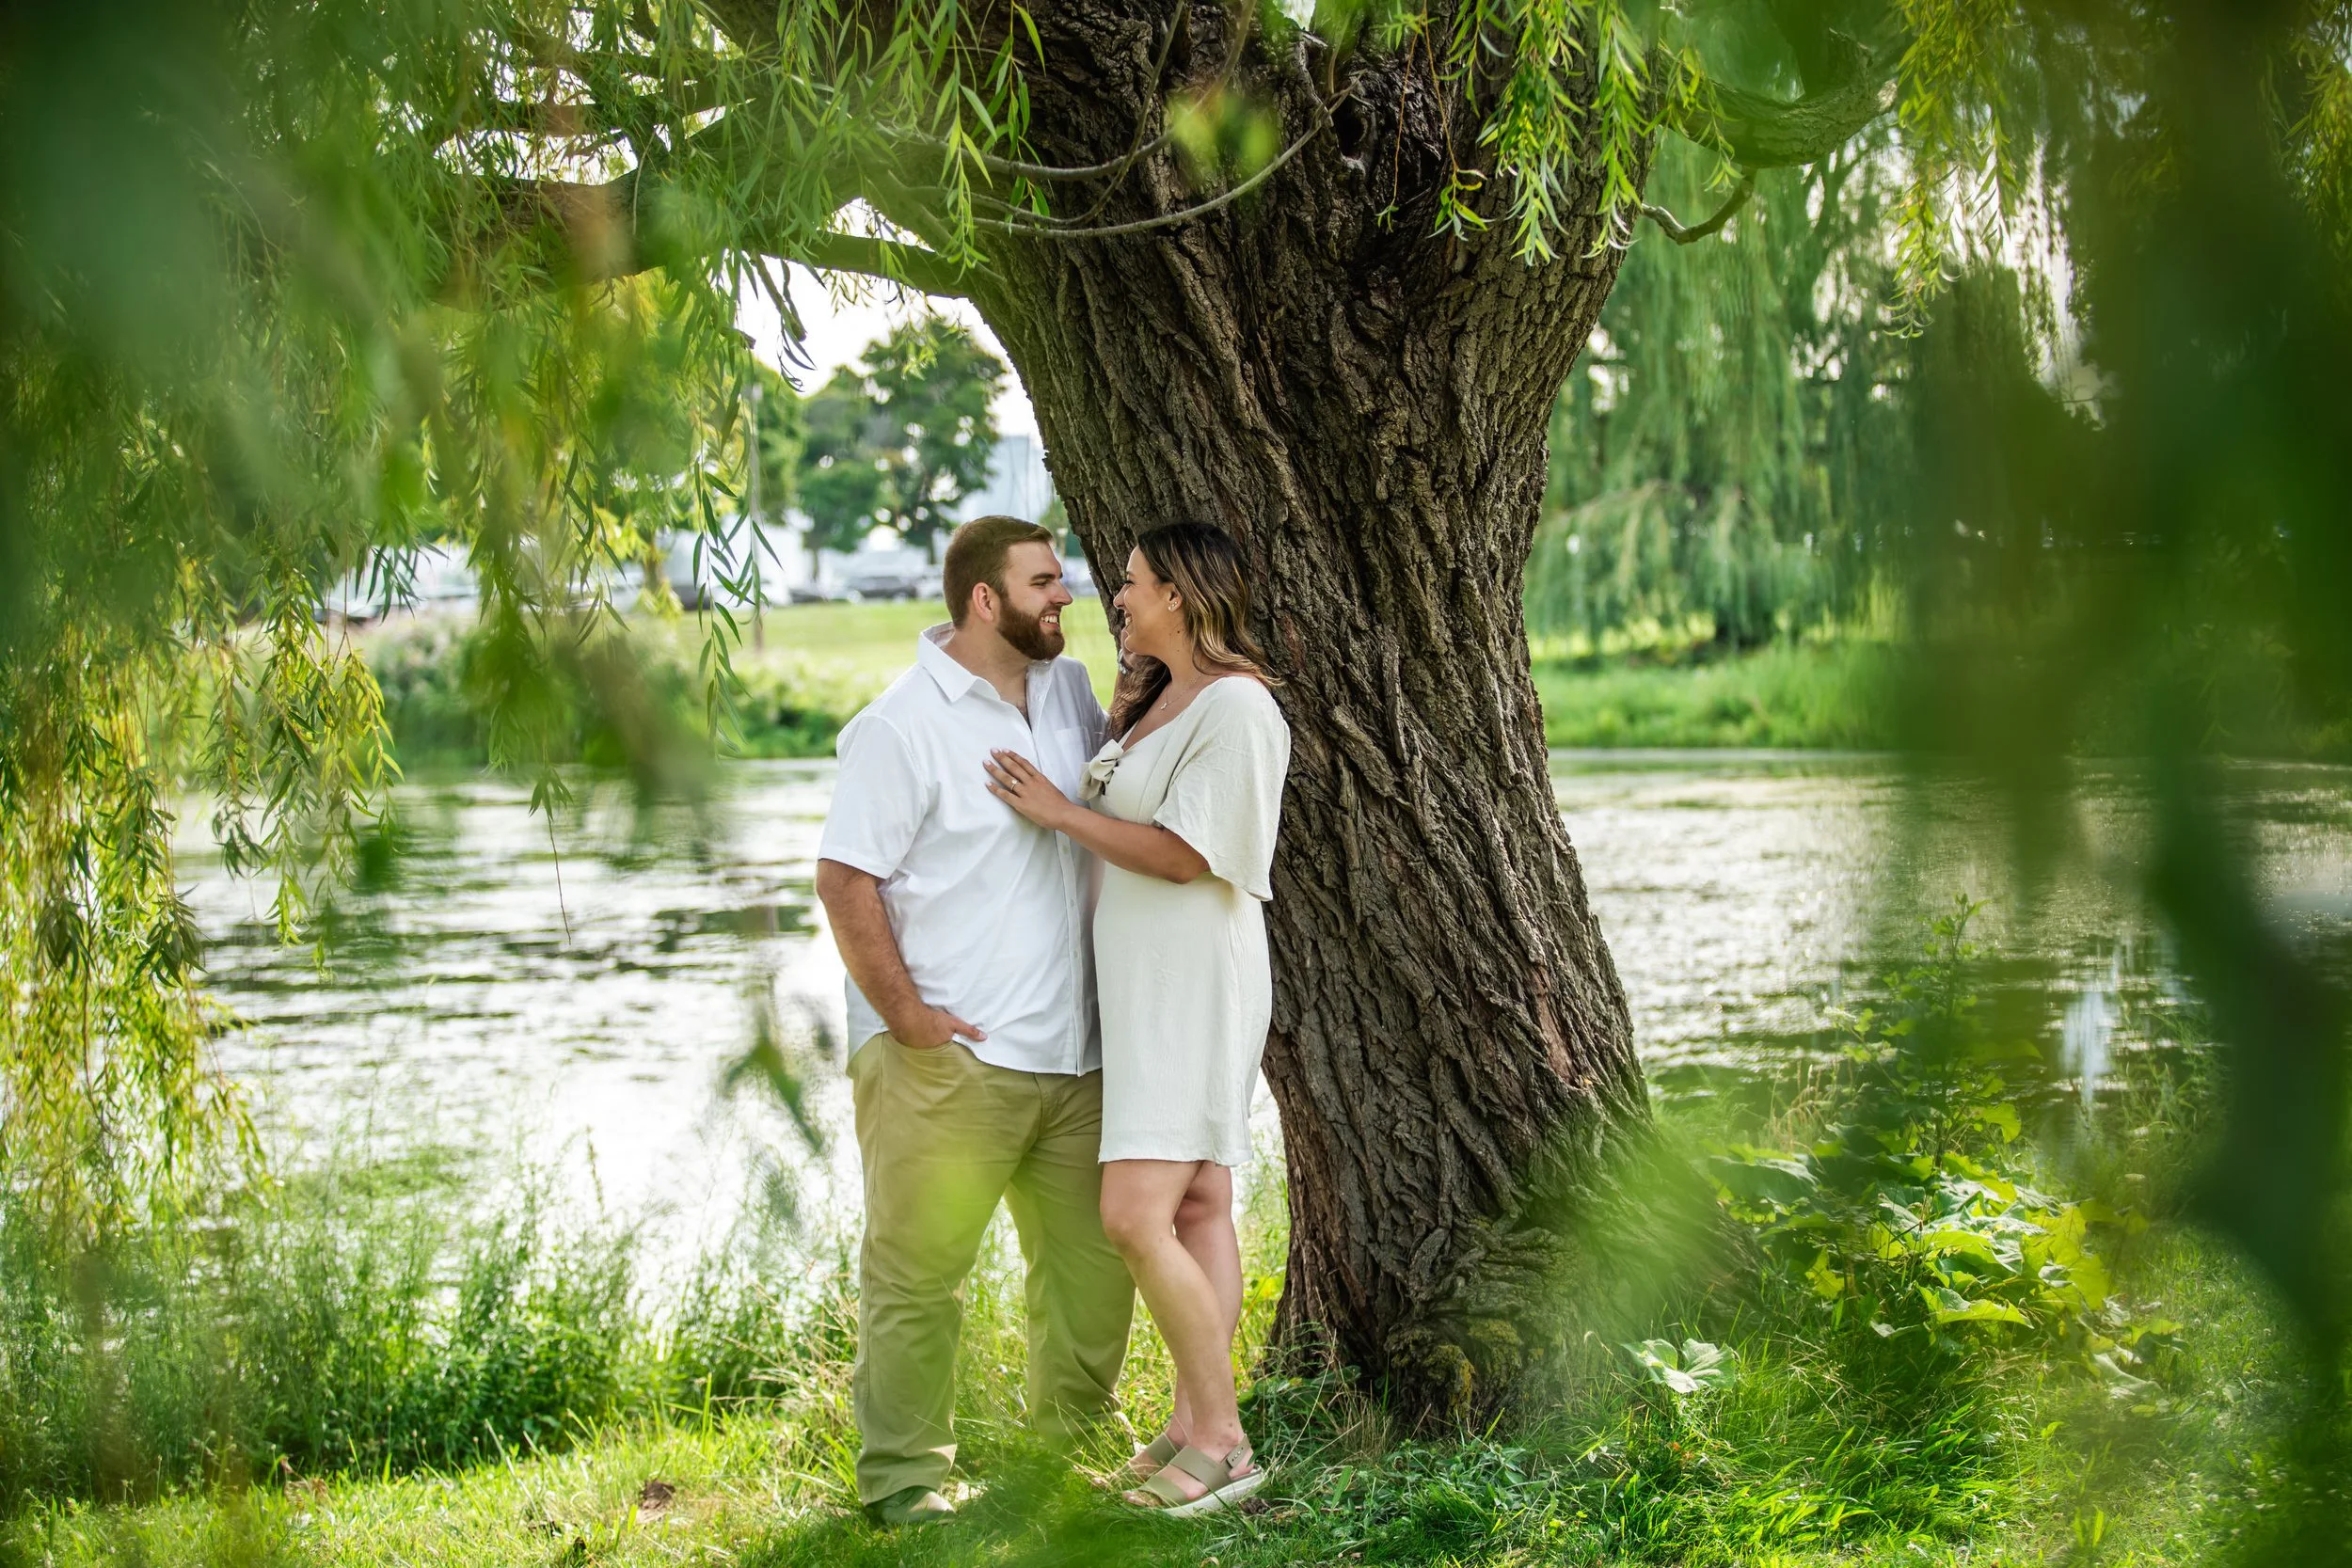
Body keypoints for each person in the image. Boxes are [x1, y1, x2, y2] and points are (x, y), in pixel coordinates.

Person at [814, 515, 1136, 1529]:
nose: (1066, 596)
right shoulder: (899, 725)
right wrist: (906, 1016)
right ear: (984, 598)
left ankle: (1068, 1444)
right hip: (954, 1058)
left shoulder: (1068, 690)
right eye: (1045, 580)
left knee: (1091, 1267)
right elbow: (842, 876)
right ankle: (906, 1477)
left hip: (1074, 1052)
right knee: (919, 1275)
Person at [982, 520, 1293, 1518]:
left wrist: (1056, 809)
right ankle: (1190, 1425)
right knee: (1197, 1204)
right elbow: (1130, 800)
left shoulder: (1239, 706)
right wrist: (1117, 725)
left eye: (1132, 582)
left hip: (1195, 983)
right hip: (1149, 987)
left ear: (1183, 591)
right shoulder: (1169, 702)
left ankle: (1226, 1444)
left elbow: (1181, 854)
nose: (1117, 596)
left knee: (1132, 1212)